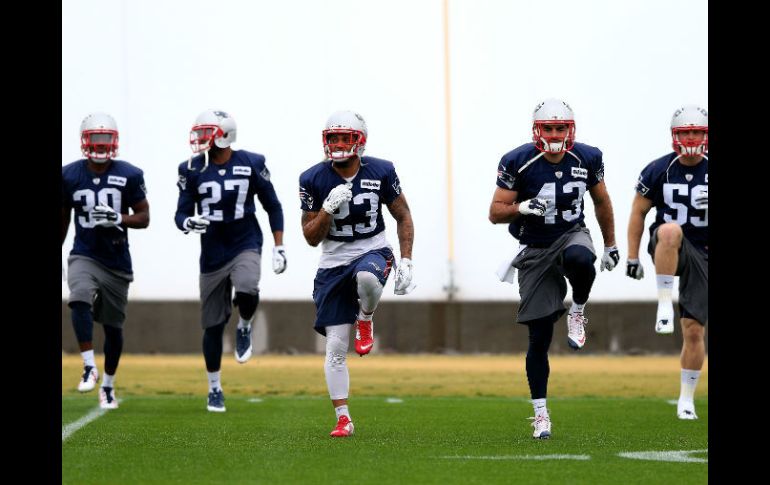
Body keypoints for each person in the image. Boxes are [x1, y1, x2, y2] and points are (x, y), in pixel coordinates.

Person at [488, 99, 619, 439]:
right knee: (539, 335)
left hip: (570, 233)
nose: (555, 133)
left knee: (580, 259)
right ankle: (541, 413)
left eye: (561, 127)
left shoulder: (588, 157)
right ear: (537, 130)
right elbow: (495, 212)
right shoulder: (518, 160)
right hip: (534, 247)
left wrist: (611, 244)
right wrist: (522, 206)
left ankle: (578, 309)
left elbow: (601, 201)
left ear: (571, 129)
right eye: (548, 128)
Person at [299, 110, 415, 437]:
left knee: (367, 278)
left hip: (371, 249)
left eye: (344, 137)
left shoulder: (381, 170)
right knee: (336, 346)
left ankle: (366, 316)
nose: (337, 144)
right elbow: (310, 237)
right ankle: (343, 418)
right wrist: (326, 210)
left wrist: (406, 259)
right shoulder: (312, 178)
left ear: (360, 141)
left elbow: (403, 215)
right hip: (332, 262)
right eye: (332, 137)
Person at [175, 109, 286, 412]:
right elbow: (180, 213)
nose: (199, 139)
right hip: (212, 252)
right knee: (212, 326)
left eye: (205, 132)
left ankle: (245, 325)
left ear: (224, 134)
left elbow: (272, 205)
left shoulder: (251, 162)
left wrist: (279, 246)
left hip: (244, 242)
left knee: (248, 287)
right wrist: (188, 223)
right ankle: (214, 388)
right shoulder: (191, 169)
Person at [62, 112, 150, 410]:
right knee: (79, 298)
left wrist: (119, 218)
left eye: (105, 139)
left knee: (113, 328)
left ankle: (108, 385)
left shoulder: (130, 174)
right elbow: (63, 220)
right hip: (84, 253)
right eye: (95, 139)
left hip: (115, 260)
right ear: (85, 140)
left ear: (114, 140)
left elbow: (144, 217)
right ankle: (88, 365)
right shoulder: (69, 175)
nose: (100, 145)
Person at [625, 105, 708, 420]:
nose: (691, 137)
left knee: (694, 331)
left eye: (696, 131)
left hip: (705, 252)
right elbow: (638, 214)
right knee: (671, 230)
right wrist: (632, 256)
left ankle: (686, 398)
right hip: (670, 247)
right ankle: (663, 304)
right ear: (675, 135)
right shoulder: (659, 169)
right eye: (685, 131)